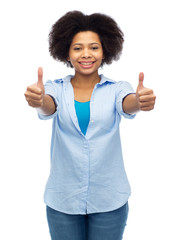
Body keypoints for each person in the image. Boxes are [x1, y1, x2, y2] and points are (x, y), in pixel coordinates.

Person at [24, 11, 156, 240]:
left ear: (105, 50)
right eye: (78, 48)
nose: (86, 54)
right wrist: (39, 100)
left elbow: (128, 103)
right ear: (66, 51)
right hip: (63, 201)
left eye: (94, 47)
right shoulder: (55, 88)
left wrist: (140, 101)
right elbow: (48, 106)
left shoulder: (117, 88)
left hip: (109, 200)